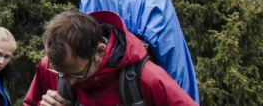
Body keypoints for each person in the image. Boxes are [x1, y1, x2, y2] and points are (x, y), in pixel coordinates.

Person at [23, 10, 198, 106]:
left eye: (76, 74)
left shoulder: (147, 78)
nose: (68, 82)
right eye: (60, 73)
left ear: (99, 51)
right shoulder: (52, 66)